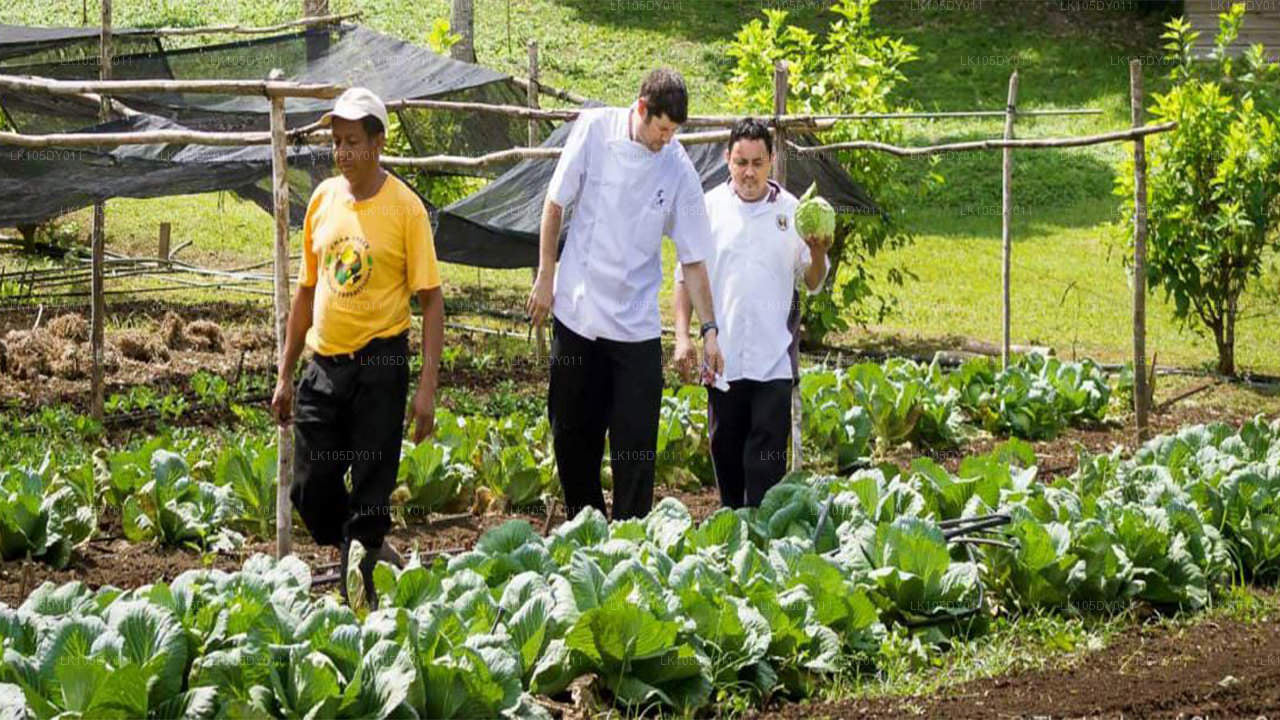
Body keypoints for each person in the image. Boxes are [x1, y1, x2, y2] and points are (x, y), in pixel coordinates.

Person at [270, 87, 445, 607]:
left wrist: (427, 390)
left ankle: (363, 591)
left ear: (378, 143)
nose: (342, 152)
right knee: (309, 488)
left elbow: (432, 303)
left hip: (380, 365)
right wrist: (285, 373)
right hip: (324, 365)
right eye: (336, 142)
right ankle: (365, 548)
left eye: (351, 142)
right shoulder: (323, 200)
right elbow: (305, 291)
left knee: (371, 490)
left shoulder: (406, 210)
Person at [525, 68, 723, 522]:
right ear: (640, 109)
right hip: (578, 312)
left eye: (674, 132)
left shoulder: (677, 167)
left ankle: (630, 539)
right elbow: (555, 203)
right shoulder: (595, 130)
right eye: (661, 129)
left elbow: (693, 258)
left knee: (636, 444)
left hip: (635, 327)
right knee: (573, 436)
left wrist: (708, 329)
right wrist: (545, 276)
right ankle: (586, 527)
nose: (666, 140)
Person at [673, 117, 830, 509]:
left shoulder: (793, 213)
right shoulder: (708, 208)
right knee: (727, 465)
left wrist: (821, 252)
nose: (749, 172)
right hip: (722, 361)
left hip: (773, 362)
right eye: (741, 162)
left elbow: (812, 281)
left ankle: (762, 544)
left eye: (757, 163)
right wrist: (682, 336)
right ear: (728, 159)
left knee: (765, 476)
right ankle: (734, 546)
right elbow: (684, 277)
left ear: (771, 162)